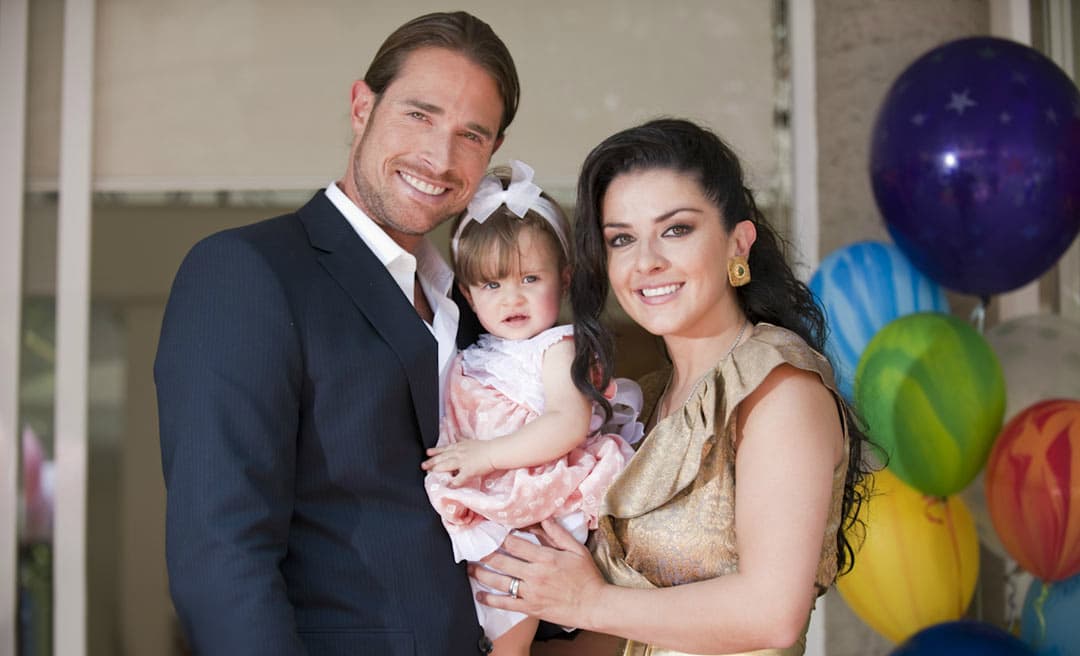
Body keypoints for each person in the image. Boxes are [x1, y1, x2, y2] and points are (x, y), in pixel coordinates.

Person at [155, 12, 520, 655]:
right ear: (361, 106)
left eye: (471, 134)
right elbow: (220, 554)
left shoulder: (474, 307)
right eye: (419, 115)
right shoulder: (247, 272)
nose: (439, 156)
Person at [471, 118, 874, 656]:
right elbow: (628, 628)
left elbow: (773, 613)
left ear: (739, 241)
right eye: (622, 239)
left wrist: (583, 601)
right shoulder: (649, 400)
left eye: (676, 229)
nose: (646, 262)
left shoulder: (779, 390)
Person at [421, 160, 641, 656]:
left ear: (563, 280)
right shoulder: (472, 356)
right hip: (489, 495)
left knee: (509, 588)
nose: (512, 297)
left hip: (537, 491)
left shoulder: (556, 348)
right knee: (479, 593)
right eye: (492, 285)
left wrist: (488, 457)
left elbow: (568, 421)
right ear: (468, 295)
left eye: (530, 278)